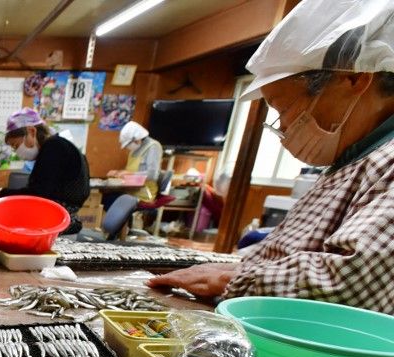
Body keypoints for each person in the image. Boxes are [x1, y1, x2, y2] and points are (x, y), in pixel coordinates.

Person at [148, 0, 394, 315]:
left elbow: (353, 282)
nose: (285, 127)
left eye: (283, 108)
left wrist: (230, 277)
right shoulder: (349, 159)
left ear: (354, 79)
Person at [0, 108, 91, 235]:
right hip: (64, 215)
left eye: (16, 145)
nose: (17, 151)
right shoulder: (57, 145)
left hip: (59, 218)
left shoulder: (54, 148)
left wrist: (3, 194)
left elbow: (38, 194)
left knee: (4, 232)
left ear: (31, 131)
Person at [104, 120, 163, 207]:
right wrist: (118, 173)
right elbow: (130, 170)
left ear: (137, 140)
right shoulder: (134, 149)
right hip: (131, 191)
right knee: (105, 197)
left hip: (144, 194)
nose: (127, 147)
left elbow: (153, 175)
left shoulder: (153, 147)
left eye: (128, 144)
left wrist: (130, 173)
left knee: (109, 201)